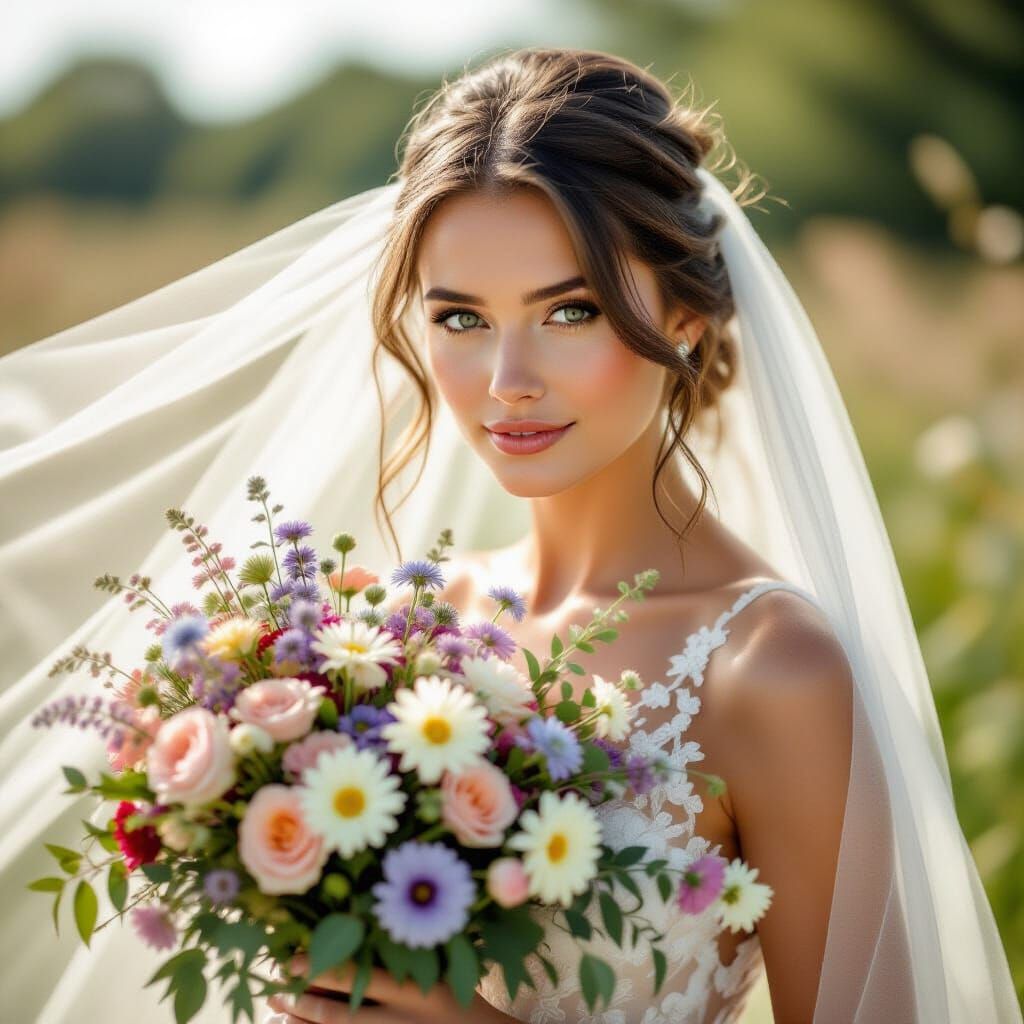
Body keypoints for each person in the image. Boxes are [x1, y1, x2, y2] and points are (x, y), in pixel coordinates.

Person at [0, 47, 1018, 1024]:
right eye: (459, 318)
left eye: (568, 312)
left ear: (688, 319)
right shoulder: (401, 635)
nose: (505, 379)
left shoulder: (770, 670)